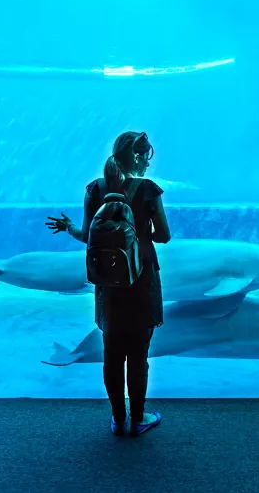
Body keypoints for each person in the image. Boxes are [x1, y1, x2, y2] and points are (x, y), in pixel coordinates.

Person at [45, 131, 171, 436]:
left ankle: (117, 419)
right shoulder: (148, 190)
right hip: (141, 278)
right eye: (147, 157)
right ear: (139, 157)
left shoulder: (95, 189)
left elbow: (87, 234)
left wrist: (68, 227)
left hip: (109, 281)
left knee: (112, 352)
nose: (149, 164)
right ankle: (138, 418)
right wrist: (141, 232)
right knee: (138, 354)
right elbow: (164, 235)